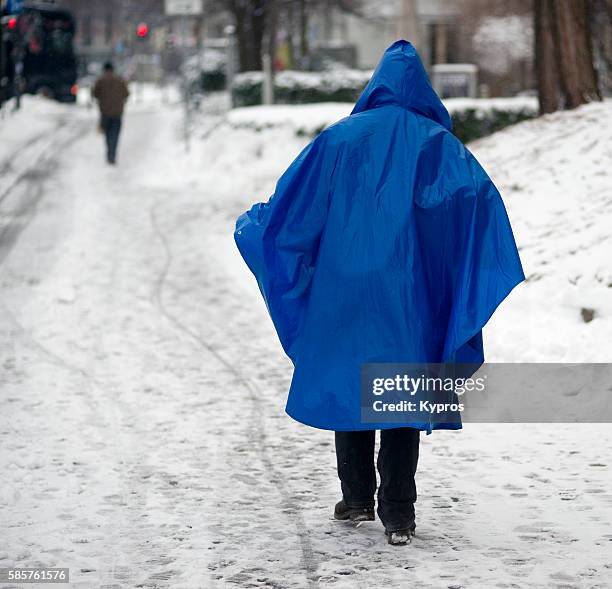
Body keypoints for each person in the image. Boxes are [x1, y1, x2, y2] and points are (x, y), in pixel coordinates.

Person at [234, 41, 524, 545]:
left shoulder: (339, 140)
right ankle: (399, 514)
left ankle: (355, 499)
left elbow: (295, 212)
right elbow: (473, 204)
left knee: (351, 387)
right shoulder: (438, 145)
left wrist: (258, 224)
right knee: (400, 394)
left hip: (341, 292)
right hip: (406, 295)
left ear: (375, 85)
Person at [92, 62, 129, 165]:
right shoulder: (120, 81)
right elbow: (126, 94)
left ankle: (109, 154)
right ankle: (112, 155)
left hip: (105, 113)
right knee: (115, 135)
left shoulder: (100, 81)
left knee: (108, 135)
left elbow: (95, 94)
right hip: (117, 113)